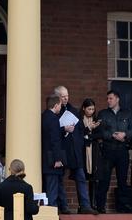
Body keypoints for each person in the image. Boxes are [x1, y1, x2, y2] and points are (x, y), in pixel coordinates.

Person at [55, 86, 97, 214]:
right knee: (59, 179)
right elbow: (52, 132)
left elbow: (79, 131)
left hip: (75, 150)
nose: (66, 98)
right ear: (57, 97)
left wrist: (87, 129)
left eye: (67, 95)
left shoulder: (74, 111)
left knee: (81, 177)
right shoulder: (54, 112)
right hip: (62, 150)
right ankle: (64, 207)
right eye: (63, 96)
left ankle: (85, 206)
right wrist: (64, 130)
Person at [94, 90, 132, 214]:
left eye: (111, 98)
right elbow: (99, 132)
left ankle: (123, 207)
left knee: (122, 180)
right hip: (108, 151)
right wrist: (112, 135)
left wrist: (125, 134)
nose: (108, 100)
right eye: (107, 98)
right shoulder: (103, 114)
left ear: (117, 99)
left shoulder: (127, 113)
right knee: (104, 180)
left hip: (122, 151)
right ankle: (100, 206)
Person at [41, 93, 68, 213]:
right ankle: (52, 211)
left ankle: (63, 207)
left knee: (56, 185)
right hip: (52, 159)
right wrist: (58, 159)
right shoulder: (54, 119)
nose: (61, 108)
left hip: (45, 157)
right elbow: (55, 140)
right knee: (53, 187)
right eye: (60, 105)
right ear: (56, 105)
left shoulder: (44, 116)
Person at [80, 98, 101, 208]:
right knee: (82, 178)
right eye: (89, 109)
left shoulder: (96, 119)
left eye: (93, 109)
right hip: (83, 152)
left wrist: (89, 136)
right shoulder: (79, 120)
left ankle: (93, 204)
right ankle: (82, 205)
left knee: (94, 178)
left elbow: (100, 134)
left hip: (94, 152)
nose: (91, 111)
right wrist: (88, 129)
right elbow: (79, 134)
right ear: (84, 108)